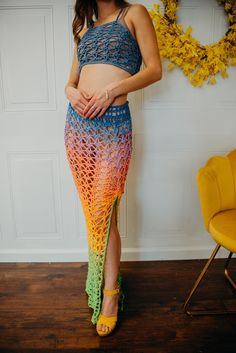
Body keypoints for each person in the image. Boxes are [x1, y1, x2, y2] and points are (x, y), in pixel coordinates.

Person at [64, 0, 162, 336]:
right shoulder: (84, 28)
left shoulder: (134, 13)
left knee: (105, 211)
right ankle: (104, 278)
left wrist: (111, 90)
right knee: (95, 214)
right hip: (77, 128)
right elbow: (70, 81)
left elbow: (154, 69)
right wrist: (72, 94)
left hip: (114, 124)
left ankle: (110, 296)